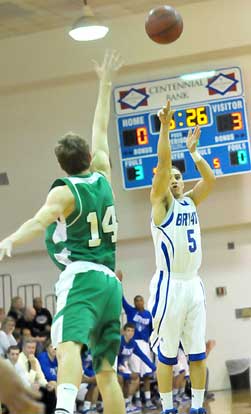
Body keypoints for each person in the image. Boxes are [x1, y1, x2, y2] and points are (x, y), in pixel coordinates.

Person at [0, 50, 124, 414]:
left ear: (61, 165)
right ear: (89, 155)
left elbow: (38, 221)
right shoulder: (103, 174)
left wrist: (9, 239)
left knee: (68, 346)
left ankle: (66, 410)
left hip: (82, 277)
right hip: (111, 283)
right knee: (106, 373)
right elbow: (100, 126)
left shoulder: (64, 191)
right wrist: (104, 82)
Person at [148, 101, 216, 414]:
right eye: (170, 176)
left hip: (193, 284)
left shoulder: (190, 202)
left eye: (178, 176)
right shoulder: (161, 205)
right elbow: (162, 165)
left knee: (198, 354)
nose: (174, 179)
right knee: (167, 355)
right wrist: (165, 127)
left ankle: (199, 407)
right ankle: (167, 408)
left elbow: (211, 180)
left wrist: (194, 151)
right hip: (168, 285)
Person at [117, 270, 155, 410]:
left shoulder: (149, 315)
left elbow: (152, 332)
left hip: (144, 345)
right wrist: (119, 283)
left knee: (147, 375)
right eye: (136, 301)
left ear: (143, 301)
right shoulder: (130, 311)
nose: (138, 302)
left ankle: (148, 399)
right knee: (135, 374)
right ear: (134, 303)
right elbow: (121, 298)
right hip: (133, 344)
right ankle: (135, 400)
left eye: (140, 300)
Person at [118, 323, 156, 413]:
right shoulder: (119, 341)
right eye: (128, 330)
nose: (130, 333)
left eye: (132, 331)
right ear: (124, 332)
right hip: (115, 367)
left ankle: (127, 402)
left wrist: (154, 368)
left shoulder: (133, 343)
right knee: (121, 380)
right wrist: (118, 367)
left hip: (124, 367)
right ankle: (120, 404)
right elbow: (114, 356)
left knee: (136, 378)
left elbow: (142, 356)